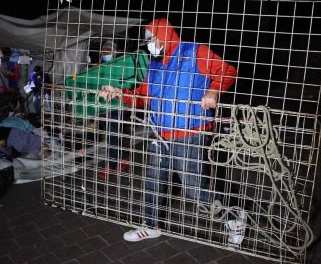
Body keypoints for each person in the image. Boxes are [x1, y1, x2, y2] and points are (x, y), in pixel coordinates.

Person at [99, 18, 239, 242]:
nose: (149, 44)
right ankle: (150, 225)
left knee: (193, 187)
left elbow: (227, 71)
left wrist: (213, 91)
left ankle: (233, 217)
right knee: (153, 179)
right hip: (161, 133)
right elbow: (143, 97)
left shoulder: (195, 52)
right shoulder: (154, 65)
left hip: (191, 132)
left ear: (164, 34)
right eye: (147, 41)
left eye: (152, 39)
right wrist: (118, 92)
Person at [95, 40, 130, 180]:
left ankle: (110, 165)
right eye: (104, 51)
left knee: (112, 133)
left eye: (109, 51)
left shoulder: (121, 66)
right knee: (112, 133)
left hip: (118, 105)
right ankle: (123, 157)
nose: (106, 53)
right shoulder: (99, 68)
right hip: (105, 106)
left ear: (115, 52)